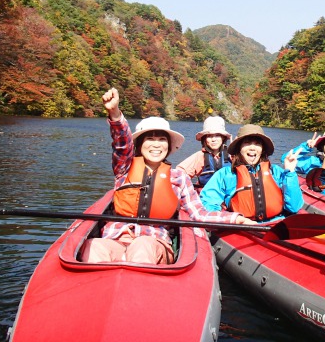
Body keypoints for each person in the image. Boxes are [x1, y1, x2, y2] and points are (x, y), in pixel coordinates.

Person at [82, 88, 255, 264]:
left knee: (142, 246)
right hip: (115, 239)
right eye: (150, 139)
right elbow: (121, 144)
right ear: (140, 145)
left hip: (153, 242)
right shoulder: (124, 168)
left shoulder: (179, 178)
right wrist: (115, 114)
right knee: (94, 246)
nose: (156, 145)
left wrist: (237, 218)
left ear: (169, 146)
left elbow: (199, 214)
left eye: (161, 140)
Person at [200, 124, 303, 222]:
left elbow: (294, 207)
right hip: (241, 228)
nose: (252, 148)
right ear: (239, 148)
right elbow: (208, 204)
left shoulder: (276, 172)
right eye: (247, 143)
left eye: (257, 144)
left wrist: (290, 172)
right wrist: (232, 219)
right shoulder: (225, 174)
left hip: (275, 224)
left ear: (262, 149)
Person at [177, 116, 232, 189]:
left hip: (228, 198)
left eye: (217, 135)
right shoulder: (199, 156)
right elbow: (178, 174)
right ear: (204, 139)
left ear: (223, 138)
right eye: (209, 136)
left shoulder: (231, 156)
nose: (213, 139)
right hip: (205, 198)